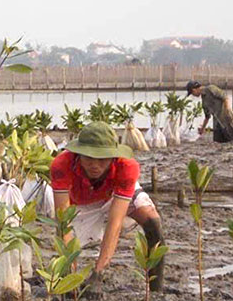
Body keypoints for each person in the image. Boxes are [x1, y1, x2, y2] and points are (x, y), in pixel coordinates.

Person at [49, 121, 165, 292]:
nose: (95, 165)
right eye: (88, 158)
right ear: (78, 154)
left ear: (113, 156)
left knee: (153, 222)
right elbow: (63, 223)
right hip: (81, 203)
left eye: (102, 159)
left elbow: (115, 223)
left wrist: (98, 273)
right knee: (70, 250)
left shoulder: (127, 166)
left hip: (113, 195)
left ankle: (156, 290)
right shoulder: (61, 164)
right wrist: (68, 277)